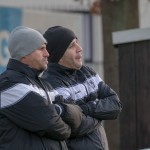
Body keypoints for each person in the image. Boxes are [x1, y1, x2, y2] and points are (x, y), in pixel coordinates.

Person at [0, 26, 83, 150]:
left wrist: (58, 110)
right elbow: (52, 125)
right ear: (24, 54)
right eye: (41, 49)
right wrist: (67, 126)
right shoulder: (9, 84)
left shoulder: (44, 84)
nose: (47, 54)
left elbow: (78, 114)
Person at [42, 26, 122, 150]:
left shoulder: (87, 72)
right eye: (72, 46)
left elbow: (116, 105)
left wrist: (85, 109)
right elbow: (74, 125)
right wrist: (100, 115)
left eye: (77, 43)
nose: (80, 49)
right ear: (59, 55)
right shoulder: (51, 83)